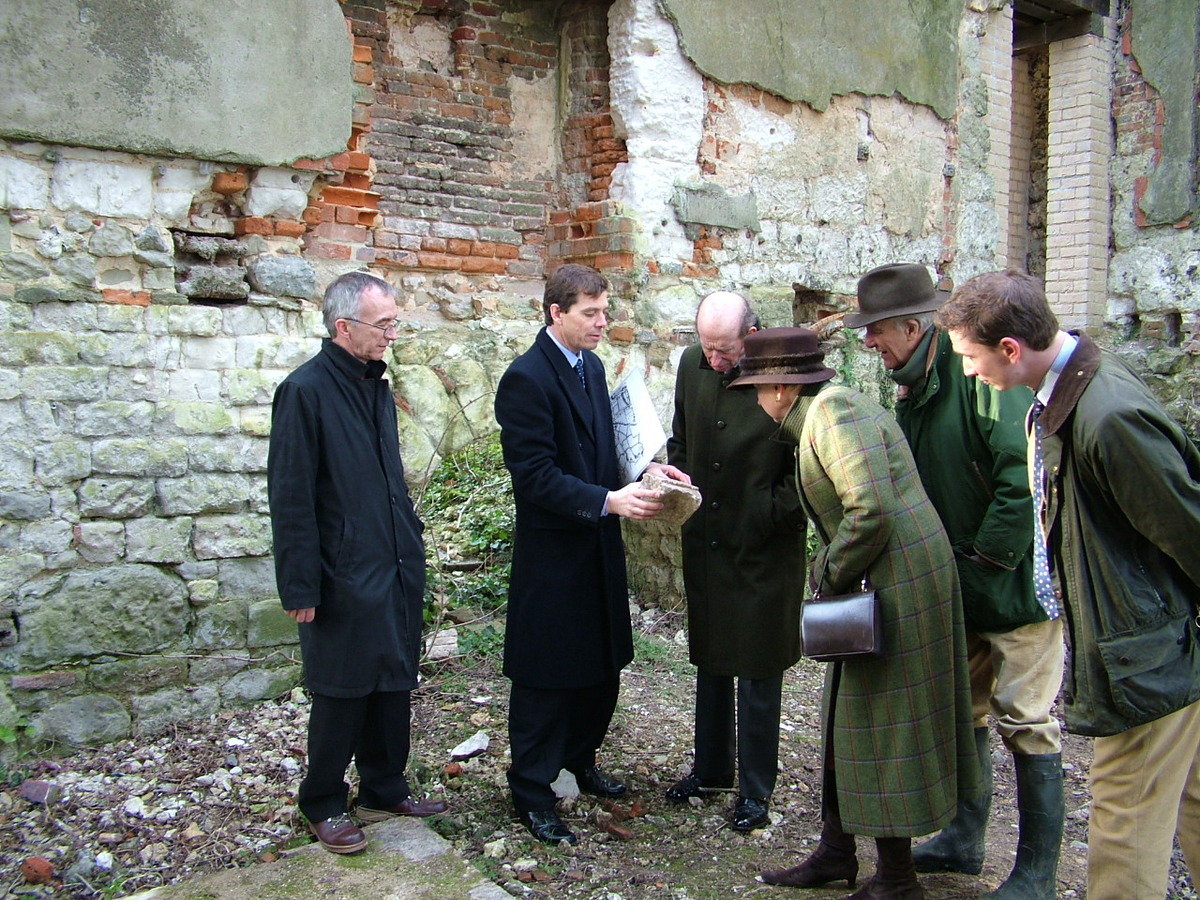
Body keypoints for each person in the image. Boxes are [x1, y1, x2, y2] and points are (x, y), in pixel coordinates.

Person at [937, 269, 1200, 900]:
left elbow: (1188, 528)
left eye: (971, 358)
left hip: (1147, 650)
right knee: (1191, 795)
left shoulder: (1108, 417)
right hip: (1149, 640)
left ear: (1009, 349)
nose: (969, 373)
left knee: (1124, 812)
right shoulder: (1069, 398)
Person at [733, 327, 977, 900]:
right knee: (849, 714)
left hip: (902, 583)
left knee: (881, 723)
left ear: (776, 387)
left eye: (753, 386)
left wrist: (825, 575)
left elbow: (870, 512)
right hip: (882, 578)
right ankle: (837, 852)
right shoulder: (821, 413)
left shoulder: (833, 413)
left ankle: (897, 878)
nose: (752, 399)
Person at [847, 263, 1064, 899]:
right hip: (957, 584)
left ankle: (1037, 874)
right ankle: (967, 839)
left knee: (1026, 718)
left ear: (913, 328)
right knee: (962, 709)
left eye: (877, 331)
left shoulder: (983, 377)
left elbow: (1018, 481)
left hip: (1015, 587)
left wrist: (985, 563)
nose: (869, 344)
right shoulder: (912, 383)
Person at [494, 263, 689, 845]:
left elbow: (601, 451)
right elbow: (533, 478)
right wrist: (607, 500)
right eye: (591, 313)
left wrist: (646, 469)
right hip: (555, 556)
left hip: (597, 546)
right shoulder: (526, 378)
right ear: (555, 313)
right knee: (546, 678)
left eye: (605, 311)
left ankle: (580, 760)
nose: (603, 323)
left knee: (601, 669)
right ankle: (531, 790)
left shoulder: (593, 365)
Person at [267, 271, 447, 855]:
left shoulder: (373, 386)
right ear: (344, 327)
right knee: (341, 687)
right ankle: (321, 800)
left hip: (393, 558)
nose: (392, 334)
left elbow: (390, 478)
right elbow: (290, 495)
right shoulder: (305, 391)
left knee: (393, 678)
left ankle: (383, 784)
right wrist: (300, 585)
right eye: (383, 324)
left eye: (395, 322)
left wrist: (410, 538)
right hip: (340, 571)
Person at [664, 291, 807, 832]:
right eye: (708, 348)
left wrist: (777, 511)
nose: (716, 361)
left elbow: (808, 459)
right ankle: (711, 767)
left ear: (751, 333)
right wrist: (676, 476)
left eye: (725, 351)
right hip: (707, 535)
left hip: (764, 542)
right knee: (712, 655)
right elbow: (681, 433)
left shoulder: (785, 371)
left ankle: (755, 790)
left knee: (759, 664)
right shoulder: (692, 363)